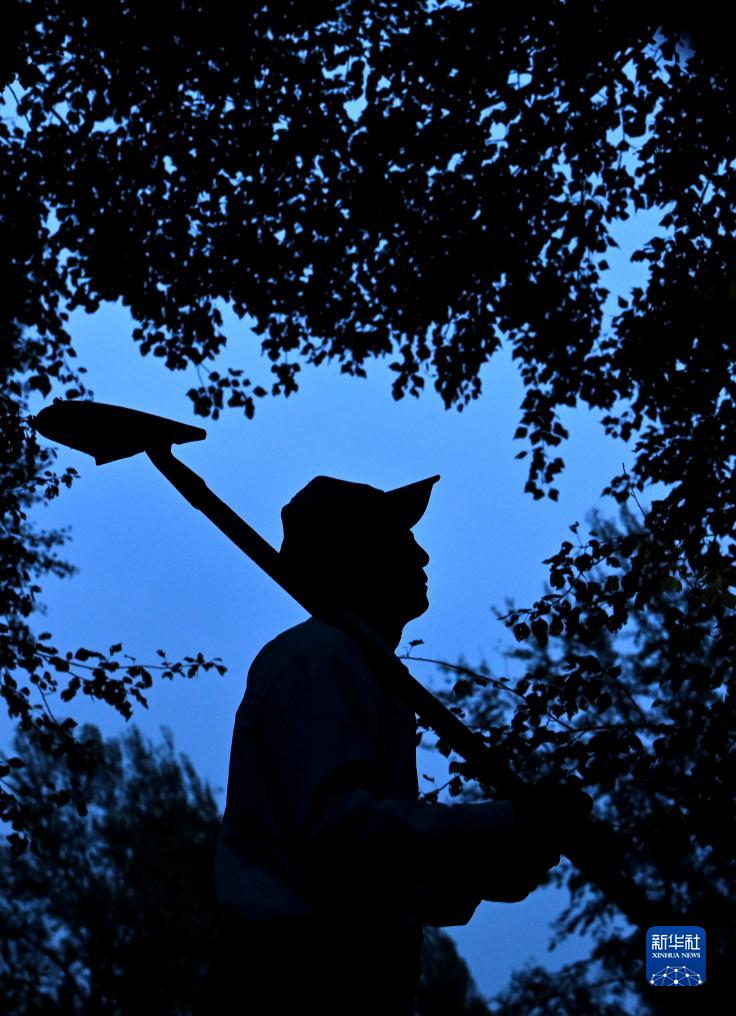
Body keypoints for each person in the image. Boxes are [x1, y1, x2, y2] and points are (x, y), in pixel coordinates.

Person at [205, 475, 592, 1015]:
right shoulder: (322, 659)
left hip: (342, 974)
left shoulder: (358, 664)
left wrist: (505, 856)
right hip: (300, 979)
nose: (422, 554)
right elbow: (340, 838)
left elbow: (372, 875)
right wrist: (506, 826)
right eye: (401, 538)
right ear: (357, 558)